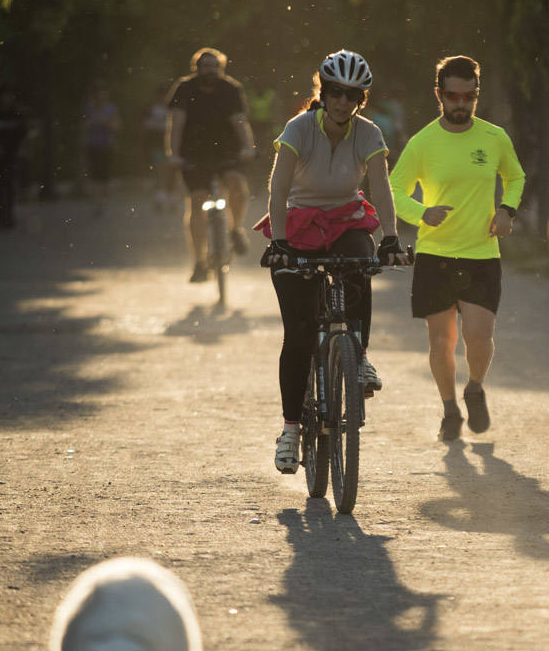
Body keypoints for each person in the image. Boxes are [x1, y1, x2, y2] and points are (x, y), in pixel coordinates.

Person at [256, 49, 409, 474]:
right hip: (299, 226)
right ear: (322, 92)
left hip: (345, 220)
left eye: (353, 95)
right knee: (299, 334)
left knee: (363, 263)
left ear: (362, 99)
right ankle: (290, 430)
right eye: (336, 92)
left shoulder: (368, 133)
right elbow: (277, 189)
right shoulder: (299, 128)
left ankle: (357, 357)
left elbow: (380, 187)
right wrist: (281, 242)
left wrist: (391, 238)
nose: (343, 101)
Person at [389, 55, 526, 441]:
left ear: (476, 95)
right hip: (435, 254)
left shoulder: (494, 137)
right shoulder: (422, 142)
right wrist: (421, 213)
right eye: (453, 95)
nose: (461, 104)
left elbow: (515, 176)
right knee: (441, 340)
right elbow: (395, 189)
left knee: (479, 337)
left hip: (482, 251)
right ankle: (450, 409)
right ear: (439, 95)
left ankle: (475, 387)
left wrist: (506, 209)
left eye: (469, 96)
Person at [166, 47, 257, 282]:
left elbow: (239, 121)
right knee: (197, 202)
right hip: (193, 154)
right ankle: (199, 262)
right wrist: (173, 154)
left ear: (221, 68)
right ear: (196, 67)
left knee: (237, 184)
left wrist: (248, 147)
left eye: (214, 66)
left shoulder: (231, 89)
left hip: (226, 151)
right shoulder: (184, 88)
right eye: (204, 66)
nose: (209, 70)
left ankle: (235, 229)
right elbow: (176, 123)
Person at [0, 82, 29, 230]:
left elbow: (23, 134)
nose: (6, 98)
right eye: (4, 95)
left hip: (12, 155)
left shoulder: (17, 113)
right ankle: (0, 217)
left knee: (10, 186)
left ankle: (9, 216)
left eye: (9, 95)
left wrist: (21, 150)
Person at [82, 85, 121, 215]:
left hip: (107, 145)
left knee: (105, 175)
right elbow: (84, 125)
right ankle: (97, 202)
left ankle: (103, 200)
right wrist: (93, 122)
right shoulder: (89, 109)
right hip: (93, 145)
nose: (101, 97)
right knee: (95, 174)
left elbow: (117, 126)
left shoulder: (111, 109)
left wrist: (105, 122)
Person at [143, 82, 175, 213]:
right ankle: (161, 197)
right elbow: (146, 125)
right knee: (160, 170)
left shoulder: (173, 109)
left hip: (172, 144)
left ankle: (171, 197)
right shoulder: (152, 109)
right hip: (158, 143)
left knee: (172, 171)